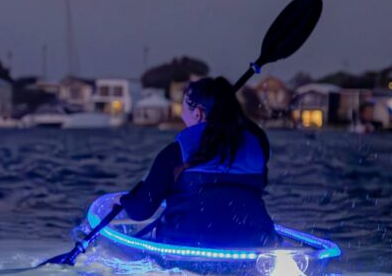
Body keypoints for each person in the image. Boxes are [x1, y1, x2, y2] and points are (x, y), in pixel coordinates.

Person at [108, 76, 275, 248]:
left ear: (198, 113)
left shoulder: (176, 152)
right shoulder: (258, 147)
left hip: (186, 250)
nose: (181, 114)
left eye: (183, 107)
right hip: (253, 247)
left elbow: (141, 210)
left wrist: (123, 200)